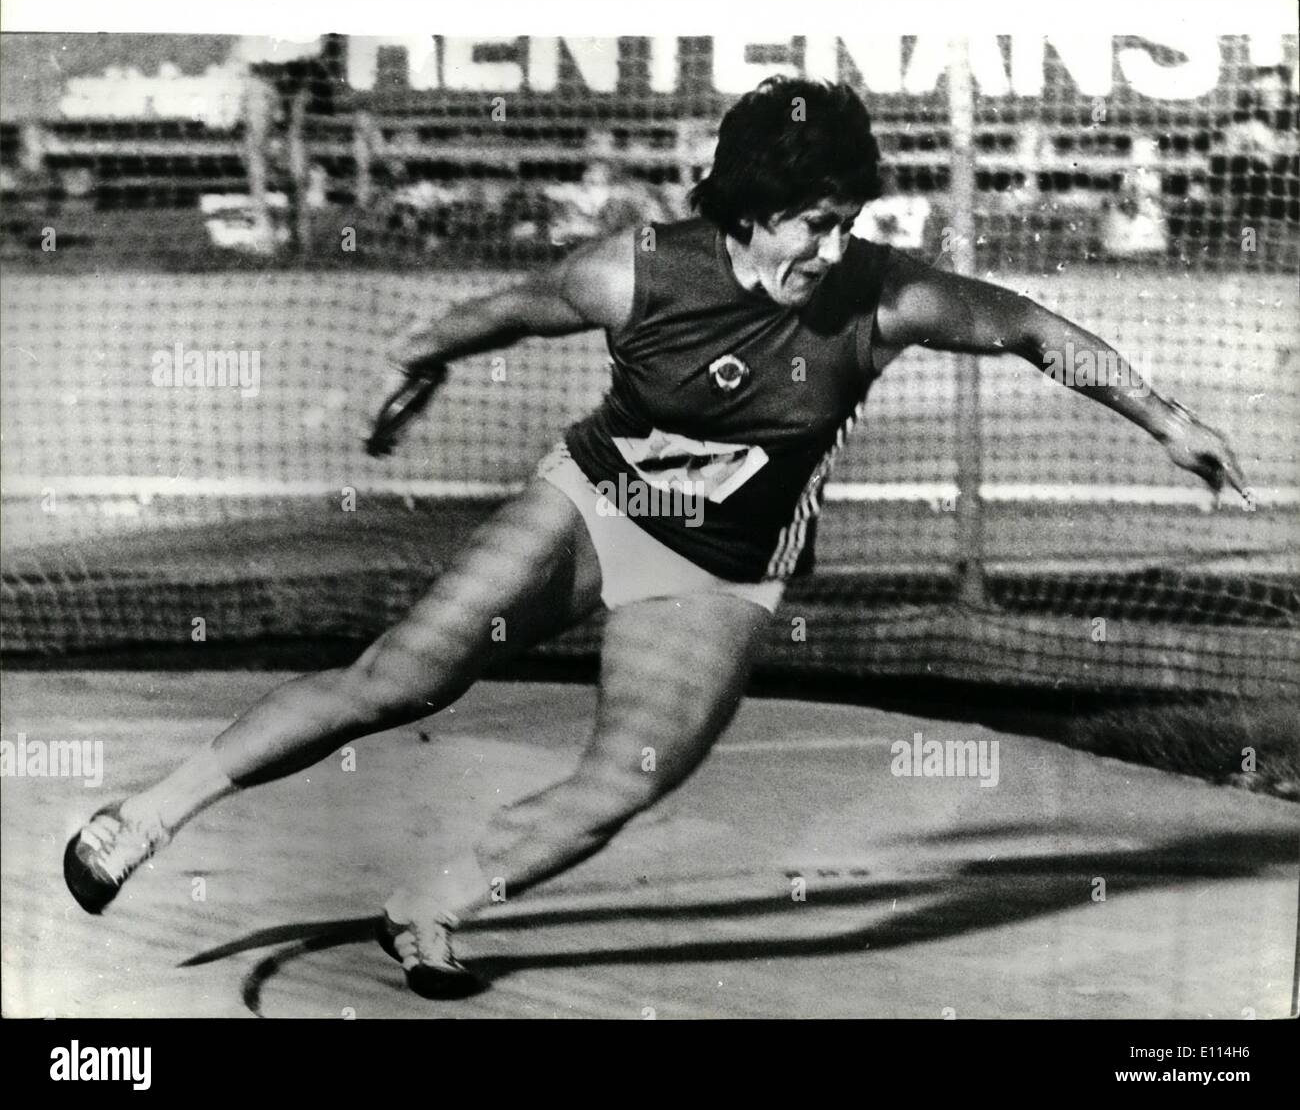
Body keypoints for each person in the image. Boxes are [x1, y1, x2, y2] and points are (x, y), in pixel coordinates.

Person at [64, 76, 1247, 1000]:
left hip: (723, 572)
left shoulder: (882, 298)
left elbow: (1038, 331)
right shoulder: (632, 275)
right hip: (590, 506)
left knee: (632, 775)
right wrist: (415, 357)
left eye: (849, 224)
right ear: (747, 212)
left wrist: (1167, 417)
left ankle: (436, 898)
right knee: (399, 679)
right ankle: (143, 817)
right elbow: (511, 309)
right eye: (815, 225)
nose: (833, 249)